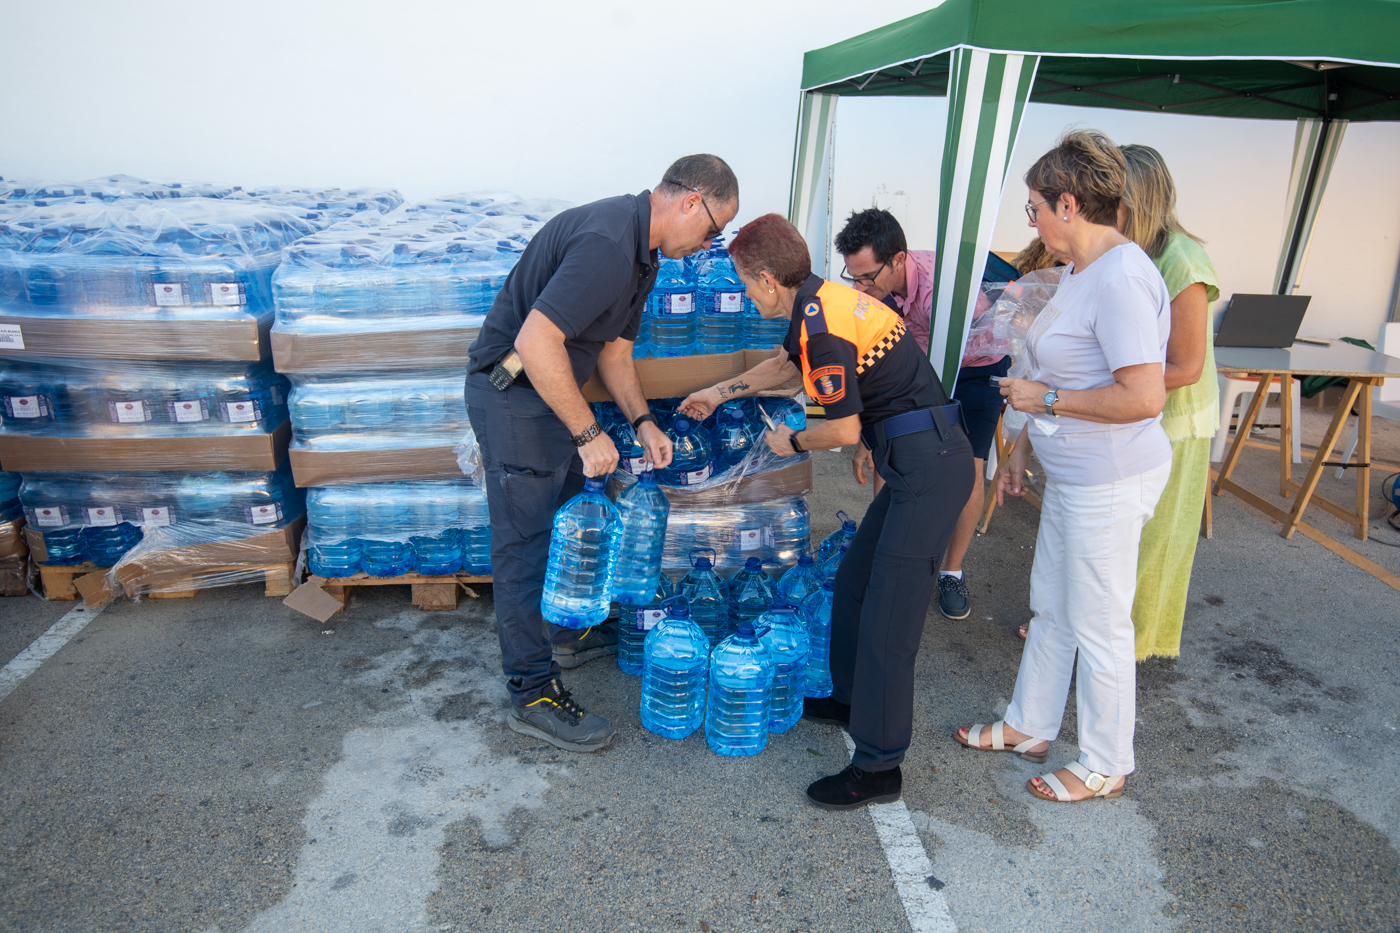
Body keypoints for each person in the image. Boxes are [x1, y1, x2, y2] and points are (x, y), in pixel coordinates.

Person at [679, 213, 974, 810]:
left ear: (765, 278)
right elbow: (787, 367)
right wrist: (719, 392)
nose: (742, 292)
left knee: (890, 623)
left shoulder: (825, 325)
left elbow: (839, 429)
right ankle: (847, 698)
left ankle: (878, 766)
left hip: (930, 468)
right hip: (914, 462)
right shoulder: (818, 304)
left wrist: (792, 443)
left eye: (741, 280)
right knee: (857, 586)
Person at [465, 155, 738, 753]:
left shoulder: (643, 257)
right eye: (714, 229)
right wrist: (589, 435)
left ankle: (560, 636)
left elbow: (614, 355)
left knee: (568, 529)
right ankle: (533, 692)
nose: (708, 244)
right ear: (691, 201)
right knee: (527, 543)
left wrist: (642, 423)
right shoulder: (610, 243)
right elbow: (535, 341)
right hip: (515, 398)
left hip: (547, 401)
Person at [953, 131, 1172, 803]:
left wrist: (1045, 401)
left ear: (1069, 204)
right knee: (1053, 606)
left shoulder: (1124, 276)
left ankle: (1107, 761)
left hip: (1110, 478)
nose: (1033, 220)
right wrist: (1023, 442)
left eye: (1034, 207)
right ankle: (1030, 723)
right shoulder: (1079, 273)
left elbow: (1143, 395)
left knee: (1100, 619)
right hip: (1073, 474)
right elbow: (1053, 366)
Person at [834, 209, 1004, 622]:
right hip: (921, 363)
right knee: (890, 445)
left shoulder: (945, 286)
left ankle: (951, 571)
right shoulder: (874, 290)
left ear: (898, 260)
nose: (860, 287)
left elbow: (991, 330)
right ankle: (882, 550)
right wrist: (865, 436)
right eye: (852, 277)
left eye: (867, 277)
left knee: (968, 467)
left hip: (975, 368)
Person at [1119, 144, 1220, 660]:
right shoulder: (1137, 252)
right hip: (1141, 413)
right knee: (1123, 537)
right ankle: (1095, 631)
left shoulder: (1183, 259)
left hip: (1177, 420)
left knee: (1158, 541)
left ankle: (1136, 644)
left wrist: (1109, 378)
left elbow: (1187, 366)